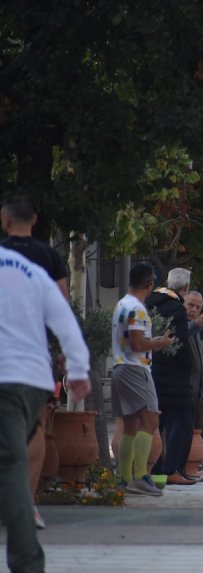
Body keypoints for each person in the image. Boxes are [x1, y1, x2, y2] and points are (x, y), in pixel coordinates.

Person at [0, 246, 91, 573]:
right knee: (14, 461)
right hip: (33, 381)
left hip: (6, 380)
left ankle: (27, 571)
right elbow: (65, 319)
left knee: (11, 469)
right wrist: (79, 368)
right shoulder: (30, 272)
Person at [1, 194, 70, 529]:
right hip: (33, 357)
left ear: (5, 220)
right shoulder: (50, 257)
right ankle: (27, 504)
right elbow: (61, 307)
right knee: (35, 429)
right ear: (35, 220)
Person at [111, 263, 175, 497]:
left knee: (130, 425)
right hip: (135, 369)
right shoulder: (137, 309)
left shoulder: (122, 304)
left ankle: (123, 478)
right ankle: (140, 476)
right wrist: (159, 343)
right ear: (149, 284)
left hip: (120, 367)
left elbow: (132, 341)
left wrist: (152, 342)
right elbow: (137, 344)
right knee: (150, 421)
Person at [146, 267, 196, 486]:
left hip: (153, 371)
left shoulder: (150, 302)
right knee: (181, 423)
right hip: (175, 377)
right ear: (185, 287)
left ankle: (155, 471)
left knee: (158, 423)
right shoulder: (177, 309)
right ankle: (172, 470)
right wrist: (189, 367)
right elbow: (180, 343)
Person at [184, 291, 203, 409]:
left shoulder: (195, 327)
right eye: (190, 305)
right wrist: (195, 324)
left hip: (194, 391)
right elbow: (177, 335)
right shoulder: (181, 323)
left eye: (198, 307)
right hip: (183, 391)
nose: (194, 310)